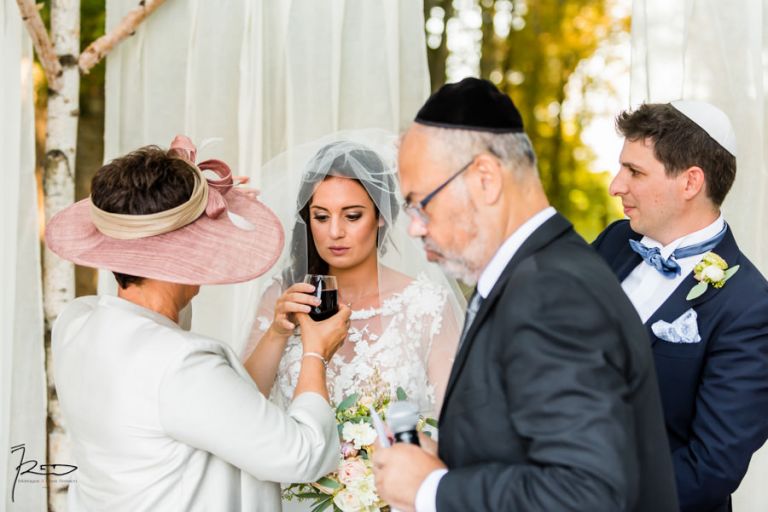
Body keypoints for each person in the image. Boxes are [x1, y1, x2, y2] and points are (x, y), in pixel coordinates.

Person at [372, 78, 679, 512]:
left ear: (485, 179)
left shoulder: (551, 292)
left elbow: (587, 494)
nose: (415, 227)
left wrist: (433, 489)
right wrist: (447, 460)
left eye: (421, 203)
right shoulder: (532, 274)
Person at [44, 136, 351, 511]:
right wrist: (316, 352)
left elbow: (162, 325)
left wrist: (276, 332)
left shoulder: (77, 323)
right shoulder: (183, 364)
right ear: (181, 254)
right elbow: (304, 455)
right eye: (203, 239)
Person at [592, 101, 768, 512]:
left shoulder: (749, 306)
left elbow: (710, 467)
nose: (616, 186)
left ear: (690, 183)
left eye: (635, 171)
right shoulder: (614, 243)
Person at [241, 131, 465, 421]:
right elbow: (243, 408)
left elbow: (454, 421)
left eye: (352, 216)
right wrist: (278, 332)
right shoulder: (282, 298)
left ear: (380, 214)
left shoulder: (426, 306)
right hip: (299, 465)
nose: (335, 232)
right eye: (321, 217)